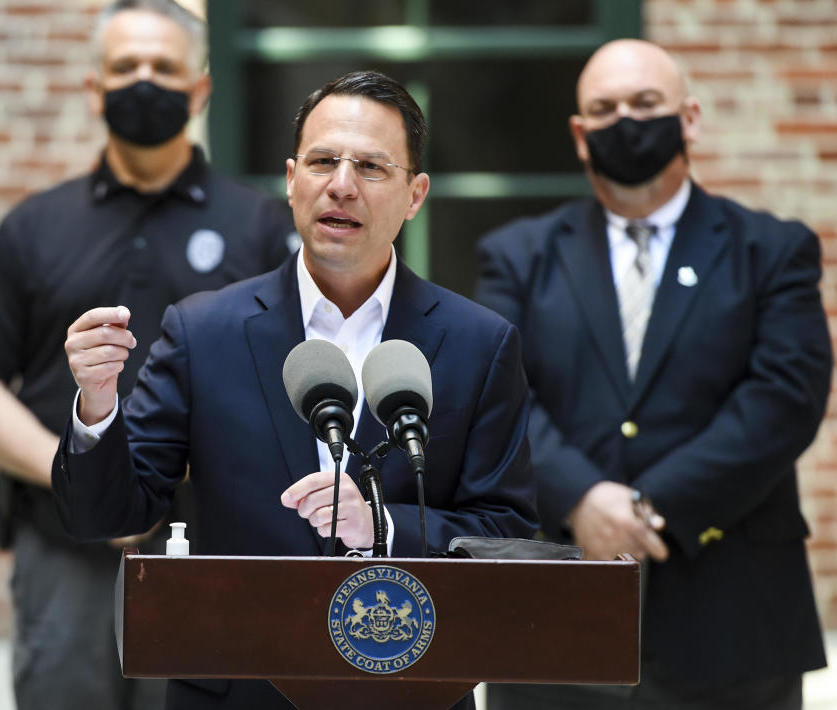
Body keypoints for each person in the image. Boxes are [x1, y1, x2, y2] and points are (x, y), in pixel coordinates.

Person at [52, 70, 539, 709]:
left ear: (415, 194)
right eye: (322, 162)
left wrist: (384, 527)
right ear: (290, 180)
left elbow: (507, 534)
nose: (341, 185)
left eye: (371, 167)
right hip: (237, 688)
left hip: (409, 684)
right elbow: (109, 515)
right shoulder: (204, 331)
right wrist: (96, 405)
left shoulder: (478, 342)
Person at [0, 2, 296, 709]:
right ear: (93, 89)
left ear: (200, 91)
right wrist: (84, 477)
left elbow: (288, 384)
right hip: (62, 550)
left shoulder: (260, 225)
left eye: (164, 68)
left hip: (210, 548)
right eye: (126, 67)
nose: (144, 80)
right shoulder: (33, 226)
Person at [474, 38, 831, 709]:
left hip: (732, 622)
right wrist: (581, 498)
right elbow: (496, 398)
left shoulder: (773, 250)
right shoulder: (516, 256)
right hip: (554, 618)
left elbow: (785, 399)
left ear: (688, 117)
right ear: (580, 135)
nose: (625, 123)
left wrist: (645, 508)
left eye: (645, 104)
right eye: (603, 110)